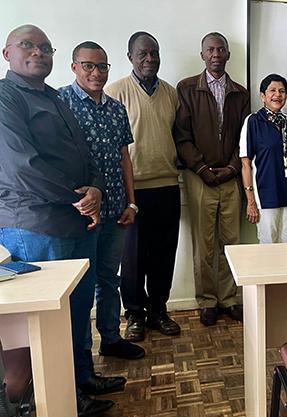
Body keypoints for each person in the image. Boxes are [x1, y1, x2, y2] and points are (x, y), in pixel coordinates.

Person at [0, 25, 124, 416]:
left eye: (45, 48)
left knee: (76, 310)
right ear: (7, 54)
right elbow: (22, 167)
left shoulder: (55, 98)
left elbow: (88, 156)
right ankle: (51, 398)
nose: (38, 53)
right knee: (44, 323)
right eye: (27, 46)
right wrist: (82, 199)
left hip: (76, 223)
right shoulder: (6, 99)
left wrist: (97, 190)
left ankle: (81, 379)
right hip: (35, 227)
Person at [59, 41, 145, 360]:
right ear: (74, 67)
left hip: (116, 211)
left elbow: (125, 157)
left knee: (110, 278)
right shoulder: (60, 102)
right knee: (81, 285)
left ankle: (111, 338)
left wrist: (131, 203)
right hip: (80, 214)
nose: (96, 73)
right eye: (88, 66)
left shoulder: (116, 108)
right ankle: (82, 356)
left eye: (102, 66)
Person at [106, 31, 181, 341]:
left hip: (167, 184)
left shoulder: (171, 93)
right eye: (143, 54)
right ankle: (135, 314)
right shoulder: (115, 92)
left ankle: (159, 310)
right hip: (132, 190)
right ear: (130, 58)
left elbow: (176, 134)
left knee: (165, 253)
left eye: (154, 53)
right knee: (133, 258)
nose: (150, 59)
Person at [174, 32, 249, 327]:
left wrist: (232, 168)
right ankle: (206, 300)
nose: (216, 54)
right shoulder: (187, 88)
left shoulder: (240, 93)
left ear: (228, 55)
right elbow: (182, 135)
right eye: (210, 49)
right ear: (202, 54)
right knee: (203, 245)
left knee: (230, 243)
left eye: (221, 49)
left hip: (230, 178)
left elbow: (245, 136)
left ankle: (229, 299)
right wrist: (202, 169)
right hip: (199, 177)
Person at [239, 74, 287, 243]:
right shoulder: (253, 121)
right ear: (262, 96)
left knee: (286, 245)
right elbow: (246, 164)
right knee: (268, 246)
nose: (277, 94)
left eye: (282, 91)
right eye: (272, 90)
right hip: (266, 194)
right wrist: (250, 201)